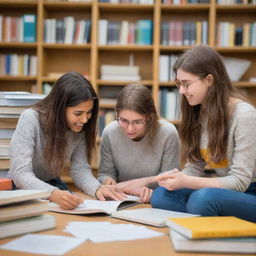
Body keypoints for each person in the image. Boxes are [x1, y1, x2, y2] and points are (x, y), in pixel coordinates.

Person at [151, 45, 256, 222]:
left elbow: (239, 182)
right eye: (179, 85)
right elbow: (194, 167)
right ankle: (209, 218)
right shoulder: (199, 112)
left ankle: (205, 215)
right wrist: (176, 179)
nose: (181, 91)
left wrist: (186, 182)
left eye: (186, 84)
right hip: (225, 192)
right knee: (162, 195)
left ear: (209, 80)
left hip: (250, 192)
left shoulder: (245, 116)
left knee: (202, 199)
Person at [9, 72, 125, 210]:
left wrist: (97, 189)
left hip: (52, 183)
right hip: (21, 186)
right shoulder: (30, 118)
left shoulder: (81, 127)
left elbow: (80, 169)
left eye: (89, 112)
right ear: (59, 107)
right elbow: (20, 173)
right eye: (78, 113)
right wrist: (53, 194)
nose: (85, 120)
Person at [98, 84, 180, 202]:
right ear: (117, 114)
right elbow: (105, 173)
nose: (130, 129)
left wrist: (145, 187)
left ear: (149, 117)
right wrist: (107, 180)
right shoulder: (110, 132)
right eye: (124, 120)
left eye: (137, 122)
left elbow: (169, 180)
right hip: (122, 198)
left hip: (156, 199)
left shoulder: (168, 133)